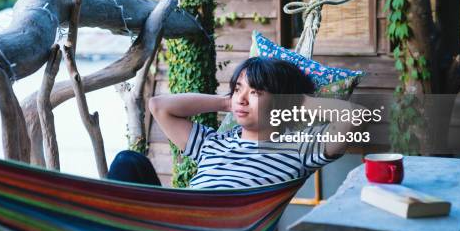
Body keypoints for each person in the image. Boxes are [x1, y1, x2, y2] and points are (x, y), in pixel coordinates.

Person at [107, 57, 365, 188]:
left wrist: (294, 101)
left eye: (255, 92)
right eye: (238, 88)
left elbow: (354, 117)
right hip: (176, 222)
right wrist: (225, 102)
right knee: (128, 162)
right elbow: (159, 106)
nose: (241, 99)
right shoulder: (213, 142)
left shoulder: (298, 149)